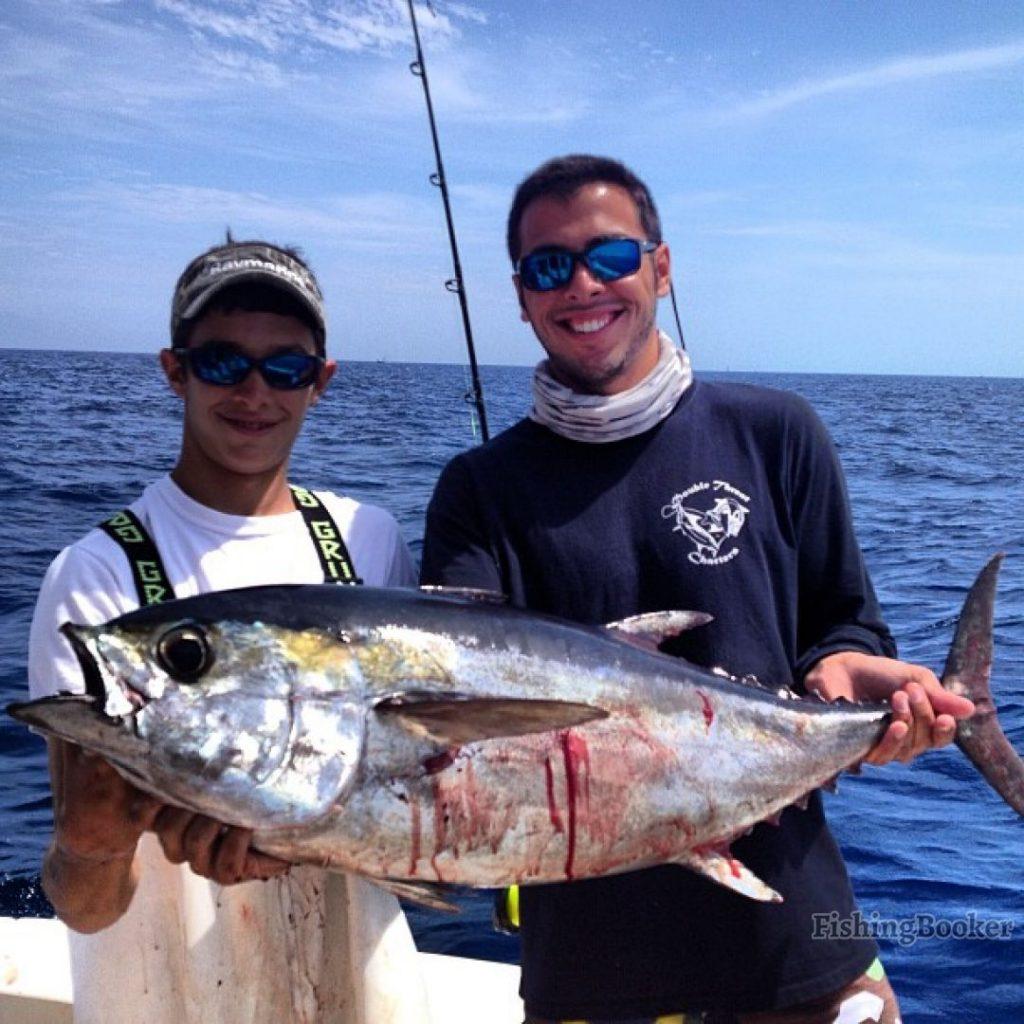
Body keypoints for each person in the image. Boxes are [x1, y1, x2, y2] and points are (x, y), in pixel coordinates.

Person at [420, 155, 975, 1024]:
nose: (581, 285)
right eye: (548, 267)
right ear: (521, 295)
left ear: (661, 268)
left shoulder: (777, 434)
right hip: (586, 978)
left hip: (800, 951)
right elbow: (462, 700)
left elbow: (843, 624)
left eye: (609, 257)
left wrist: (850, 674)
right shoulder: (479, 488)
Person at [28, 239, 429, 1024]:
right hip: (160, 994)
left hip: (356, 982)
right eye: (221, 361)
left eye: (285, 367)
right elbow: (85, 905)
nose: (254, 390)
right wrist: (94, 848)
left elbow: (412, 801)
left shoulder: (368, 541)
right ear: (174, 369)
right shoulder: (95, 578)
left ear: (322, 381)